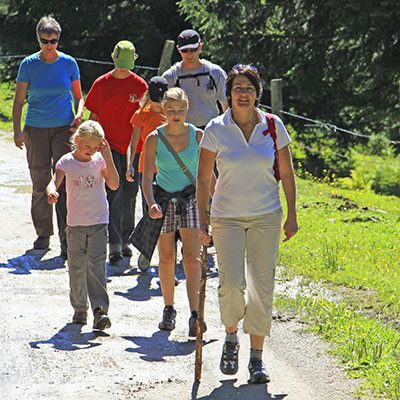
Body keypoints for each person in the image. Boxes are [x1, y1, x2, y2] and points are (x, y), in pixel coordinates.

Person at [197, 65, 298, 384]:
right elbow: (202, 178)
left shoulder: (273, 125)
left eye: (249, 88)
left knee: (260, 286)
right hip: (225, 216)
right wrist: (203, 219)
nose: (243, 93)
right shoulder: (216, 128)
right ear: (229, 93)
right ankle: (230, 336)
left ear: (258, 93)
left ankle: (257, 358)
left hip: (266, 215)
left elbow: (288, 172)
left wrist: (291, 215)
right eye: (237, 88)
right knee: (231, 284)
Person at [12, 15, 84, 257]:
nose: (49, 45)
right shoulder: (28, 65)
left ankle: (67, 237)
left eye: (53, 40)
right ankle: (43, 234)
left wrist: (80, 112)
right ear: (38, 39)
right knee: (41, 182)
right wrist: (17, 130)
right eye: (45, 40)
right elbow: (19, 100)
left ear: (59, 39)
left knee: (63, 181)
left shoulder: (69, 63)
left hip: (65, 128)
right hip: (36, 128)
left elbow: (79, 96)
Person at [140, 87, 206, 337]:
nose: (175, 115)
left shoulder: (198, 136)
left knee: (191, 259)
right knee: (166, 259)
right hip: (164, 201)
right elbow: (147, 178)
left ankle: (195, 314)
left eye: (180, 110)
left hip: (190, 201)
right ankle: (169, 308)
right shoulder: (154, 138)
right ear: (163, 111)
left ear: (187, 109)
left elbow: (207, 174)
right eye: (170, 111)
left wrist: (212, 202)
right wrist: (150, 203)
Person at [46, 120, 119, 330]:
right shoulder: (66, 162)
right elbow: (53, 181)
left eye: (96, 148)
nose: (91, 151)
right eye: (88, 147)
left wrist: (108, 156)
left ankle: (100, 311)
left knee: (96, 266)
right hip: (75, 224)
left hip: (98, 222)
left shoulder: (100, 160)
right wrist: (51, 192)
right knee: (76, 267)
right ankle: (80, 308)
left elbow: (114, 184)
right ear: (76, 140)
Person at [84, 40, 148, 263]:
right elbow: (92, 118)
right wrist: (89, 146)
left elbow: (146, 119)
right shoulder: (101, 84)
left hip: (133, 147)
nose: (123, 68)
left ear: (134, 60)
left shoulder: (140, 86)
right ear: (113, 58)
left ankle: (127, 239)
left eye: (127, 64)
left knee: (131, 192)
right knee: (114, 192)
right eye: (120, 63)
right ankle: (114, 243)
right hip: (107, 147)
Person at [126, 76, 168, 270]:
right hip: (147, 169)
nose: (158, 103)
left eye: (161, 98)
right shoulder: (141, 114)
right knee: (149, 212)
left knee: (168, 216)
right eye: (155, 98)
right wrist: (130, 165)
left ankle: (166, 261)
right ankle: (146, 252)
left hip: (169, 171)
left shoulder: (172, 113)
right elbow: (133, 143)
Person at [162, 29, 228, 130]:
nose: (190, 54)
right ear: (179, 50)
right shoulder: (170, 76)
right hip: (181, 132)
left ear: (200, 47)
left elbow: (226, 105)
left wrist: (227, 129)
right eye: (185, 50)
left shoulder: (215, 72)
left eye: (193, 49)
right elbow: (160, 108)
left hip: (211, 131)